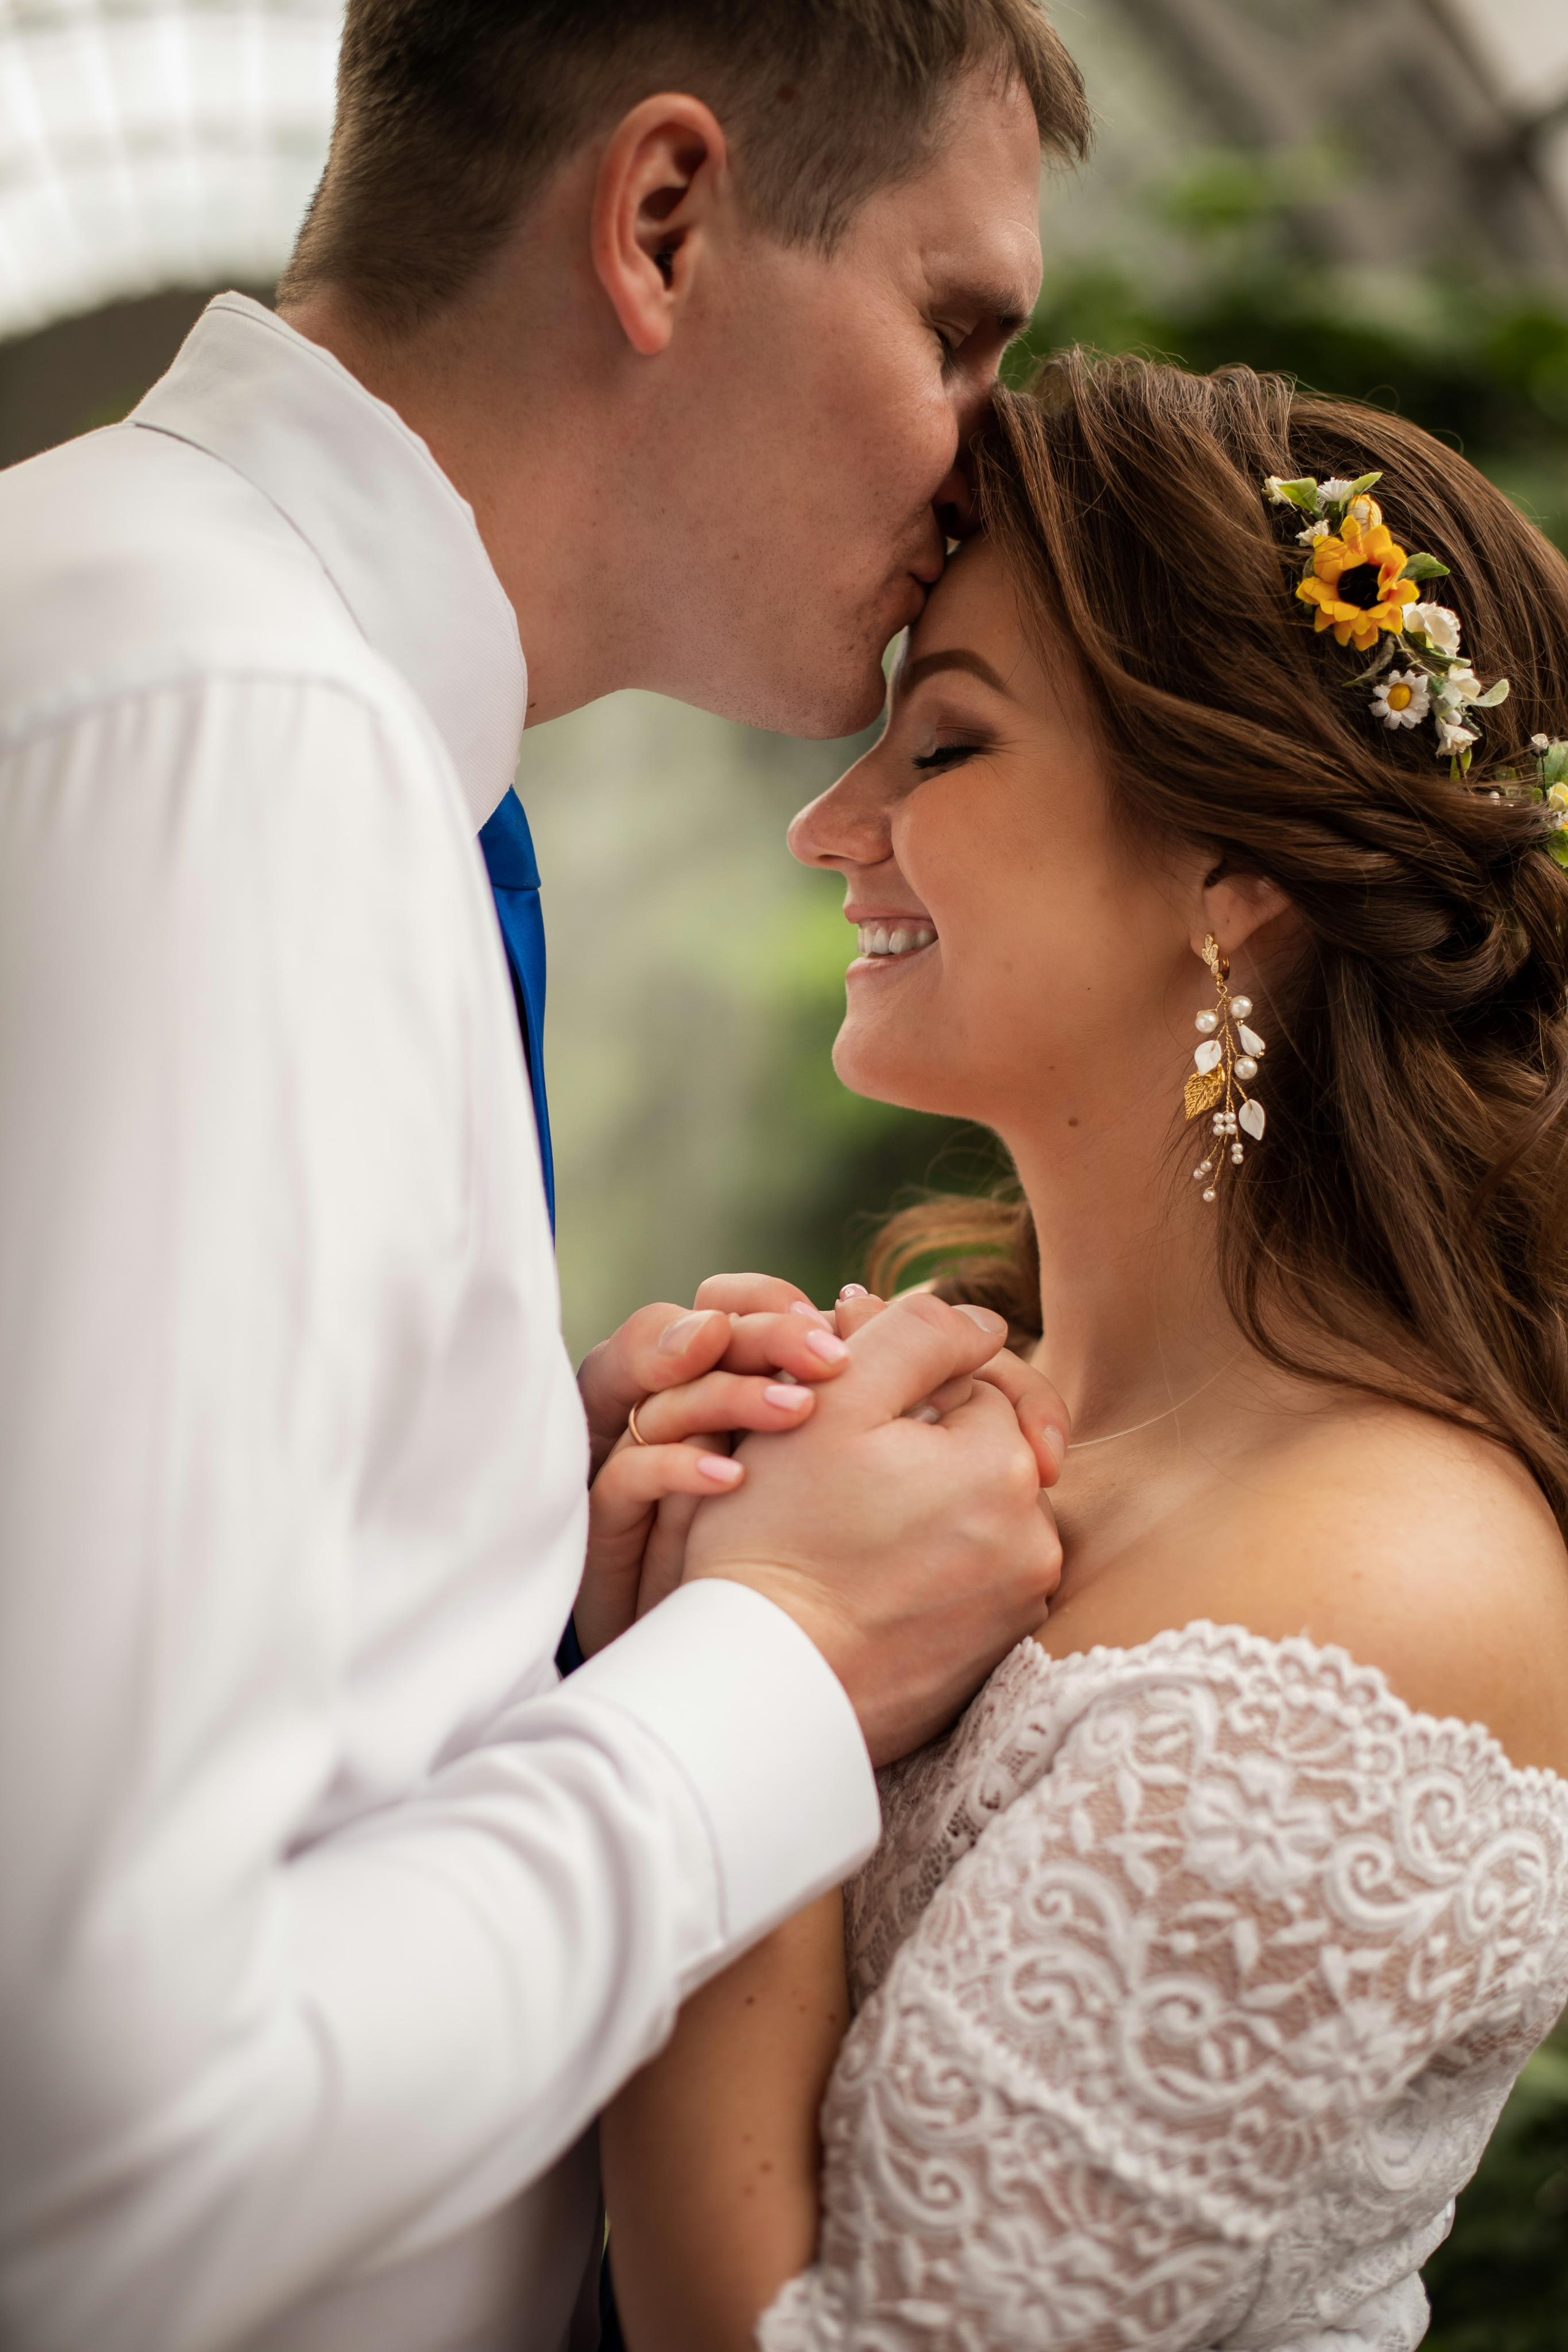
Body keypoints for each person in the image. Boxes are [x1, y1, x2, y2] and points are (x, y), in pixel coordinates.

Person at [0, 7, 1095, 2350]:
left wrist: (499, 1528)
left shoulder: (233, 680)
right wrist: (779, 1666)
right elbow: (90, 2145)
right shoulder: (236, 739)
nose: (982, 464)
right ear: (666, 220)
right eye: (957, 328)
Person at [590, 355, 1568, 2352]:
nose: (827, 823)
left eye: (942, 749)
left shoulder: (1382, 1603)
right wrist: (621, 1549)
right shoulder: (960, 1445)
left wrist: (761, 1665)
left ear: (1240, 868)